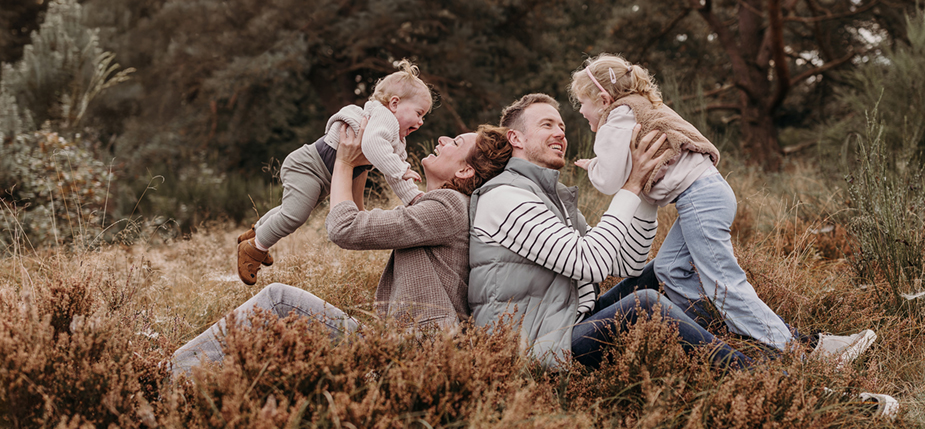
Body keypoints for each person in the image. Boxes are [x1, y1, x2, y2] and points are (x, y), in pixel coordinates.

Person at [567, 53, 876, 362]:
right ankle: (721, 335)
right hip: (707, 193)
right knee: (668, 269)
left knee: (724, 284)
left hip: (700, 197)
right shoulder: (638, 108)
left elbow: (608, 181)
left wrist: (592, 165)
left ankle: (796, 354)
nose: (581, 110)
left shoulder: (616, 120)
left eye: (583, 103)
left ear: (603, 99)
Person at [173, 118, 513, 377]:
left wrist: (344, 162)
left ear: (466, 170)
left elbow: (344, 228)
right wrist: (362, 163)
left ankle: (166, 377)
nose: (442, 139)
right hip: (406, 350)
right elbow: (362, 222)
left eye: (455, 142)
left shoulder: (449, 207)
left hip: (416, 354)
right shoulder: (440, 206)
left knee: (278, 300)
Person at [468, 93, 754, 369]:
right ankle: (753, 370)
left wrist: (645, 186)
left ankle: (751, 335)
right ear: (516, 138)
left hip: (567, 320)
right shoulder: (505, 196)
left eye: (562, 127)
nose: (560, 134)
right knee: (644, 303)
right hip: (531, 343)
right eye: (547, 125)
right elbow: (588, 263)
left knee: (661, 270)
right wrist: (630, 186)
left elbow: (627, 264)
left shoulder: (553, 197)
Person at [236, 59, 431, 285]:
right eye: (419, 113)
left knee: (290, 210)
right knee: (295, 215)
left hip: (320, 174)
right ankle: (254, 249)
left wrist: (413, 197)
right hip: (308, 167)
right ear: (395, 103)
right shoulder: (383, 118)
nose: (421, 121)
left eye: (424, 116)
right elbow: (374, 147)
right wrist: (402, 169)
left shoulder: (395, 136)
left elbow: (393, 173)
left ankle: (256, 233)